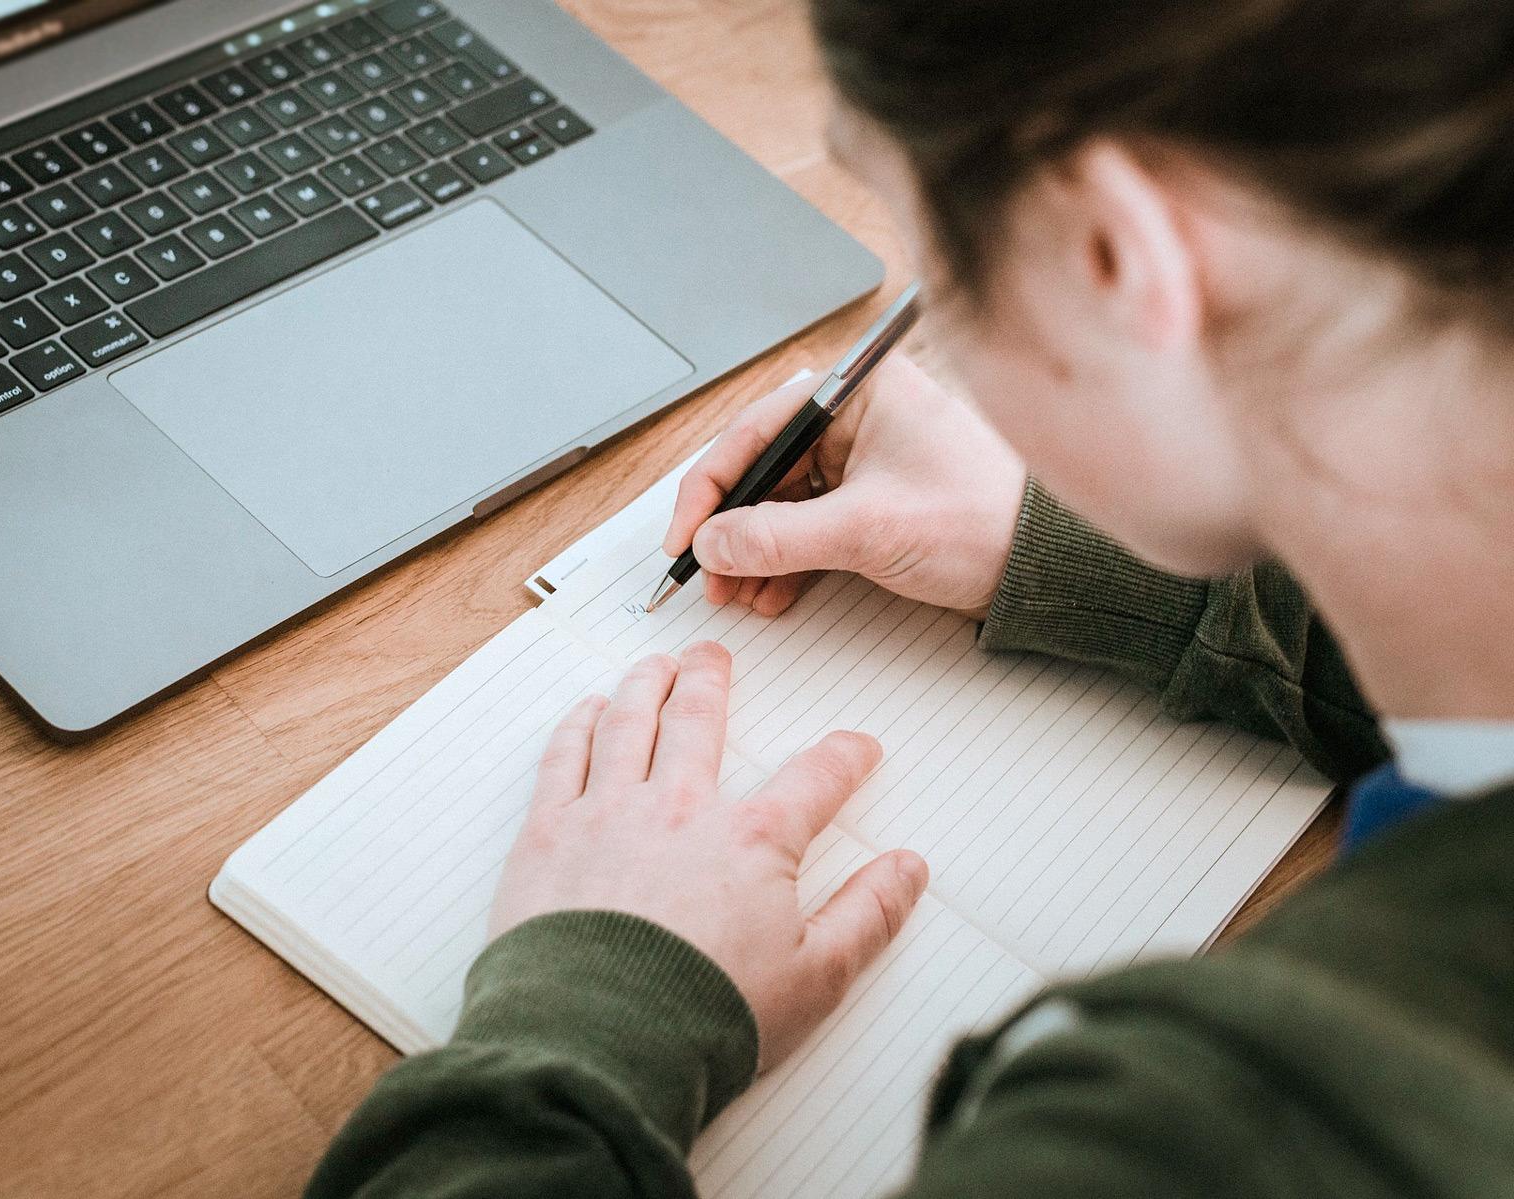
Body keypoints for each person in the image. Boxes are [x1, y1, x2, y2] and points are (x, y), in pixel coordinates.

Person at [307, 0, 1514, 1193]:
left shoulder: (1198, 1133)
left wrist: (596, 1013)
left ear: (1114, 260)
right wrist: (1112, 550)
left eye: (920, 252)